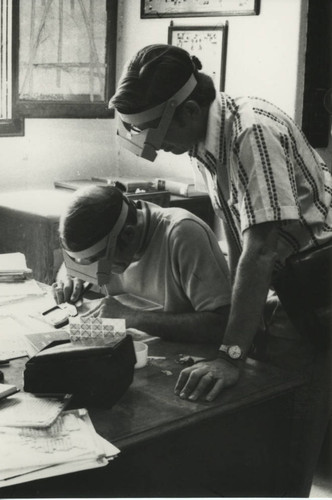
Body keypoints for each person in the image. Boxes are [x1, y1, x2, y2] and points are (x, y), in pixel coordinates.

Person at [109, 44, 332, 495]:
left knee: (290, 420)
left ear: (188, 109)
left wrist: (230, 353)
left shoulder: (250, 131)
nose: (153, 146)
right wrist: (230, 329)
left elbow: (261, 250)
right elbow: (237, 236)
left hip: (317, 286)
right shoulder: (205, 138)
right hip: (284, 282)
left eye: (153, 132)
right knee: (255, 420)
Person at [54, 184, 231, 344]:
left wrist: (134, 317)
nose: (93, 270)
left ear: (128, 235)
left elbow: (221, 327)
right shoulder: (107, 238)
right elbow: (72, 267)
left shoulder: (183, 234)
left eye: (97, 261)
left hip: (186, 356)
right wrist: (69, 278)